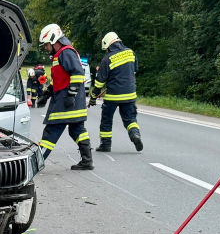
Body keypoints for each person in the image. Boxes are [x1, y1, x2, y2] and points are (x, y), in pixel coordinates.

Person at [37, 24, 93, 170]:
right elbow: (60, 80)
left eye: (47, 45)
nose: (46, 48)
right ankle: (87, 161)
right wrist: (47, 93)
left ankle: (35, 163)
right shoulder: (61, 54)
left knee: (51, 132)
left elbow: (77, 73)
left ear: (53, 40)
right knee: (77, 130)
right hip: (71, 100)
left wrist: (71, 95)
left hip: (66, 101)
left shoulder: (65, 52)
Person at [91, 32, 142, 152]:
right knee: (130, 119)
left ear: (108, 46)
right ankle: (135, 134)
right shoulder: (130, 52)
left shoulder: (107, 59)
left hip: (113, 95)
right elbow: (134, 71)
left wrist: (93, 97)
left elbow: (99, 82)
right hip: (130, 93)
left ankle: (105, 144)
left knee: (107, 119)